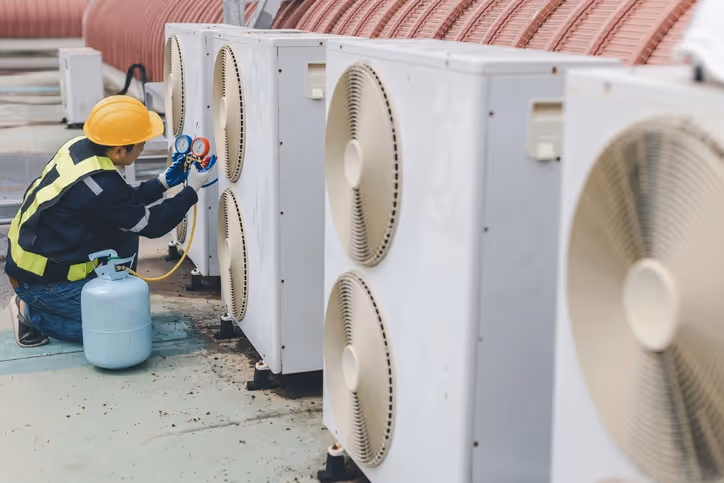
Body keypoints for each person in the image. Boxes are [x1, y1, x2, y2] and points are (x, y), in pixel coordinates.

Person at [4, 95, 213, 348]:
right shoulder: (102, 186)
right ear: (118, 150)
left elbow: (118, 204)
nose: (143, 148)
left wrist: (162, 183)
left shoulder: (78, 148)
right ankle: (32, 315)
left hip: (35, 257)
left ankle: (52, 303)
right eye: (141, 144)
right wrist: (191, 191)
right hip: (40, 282)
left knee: (126, 230)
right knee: (122, 326)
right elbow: (152, 224)